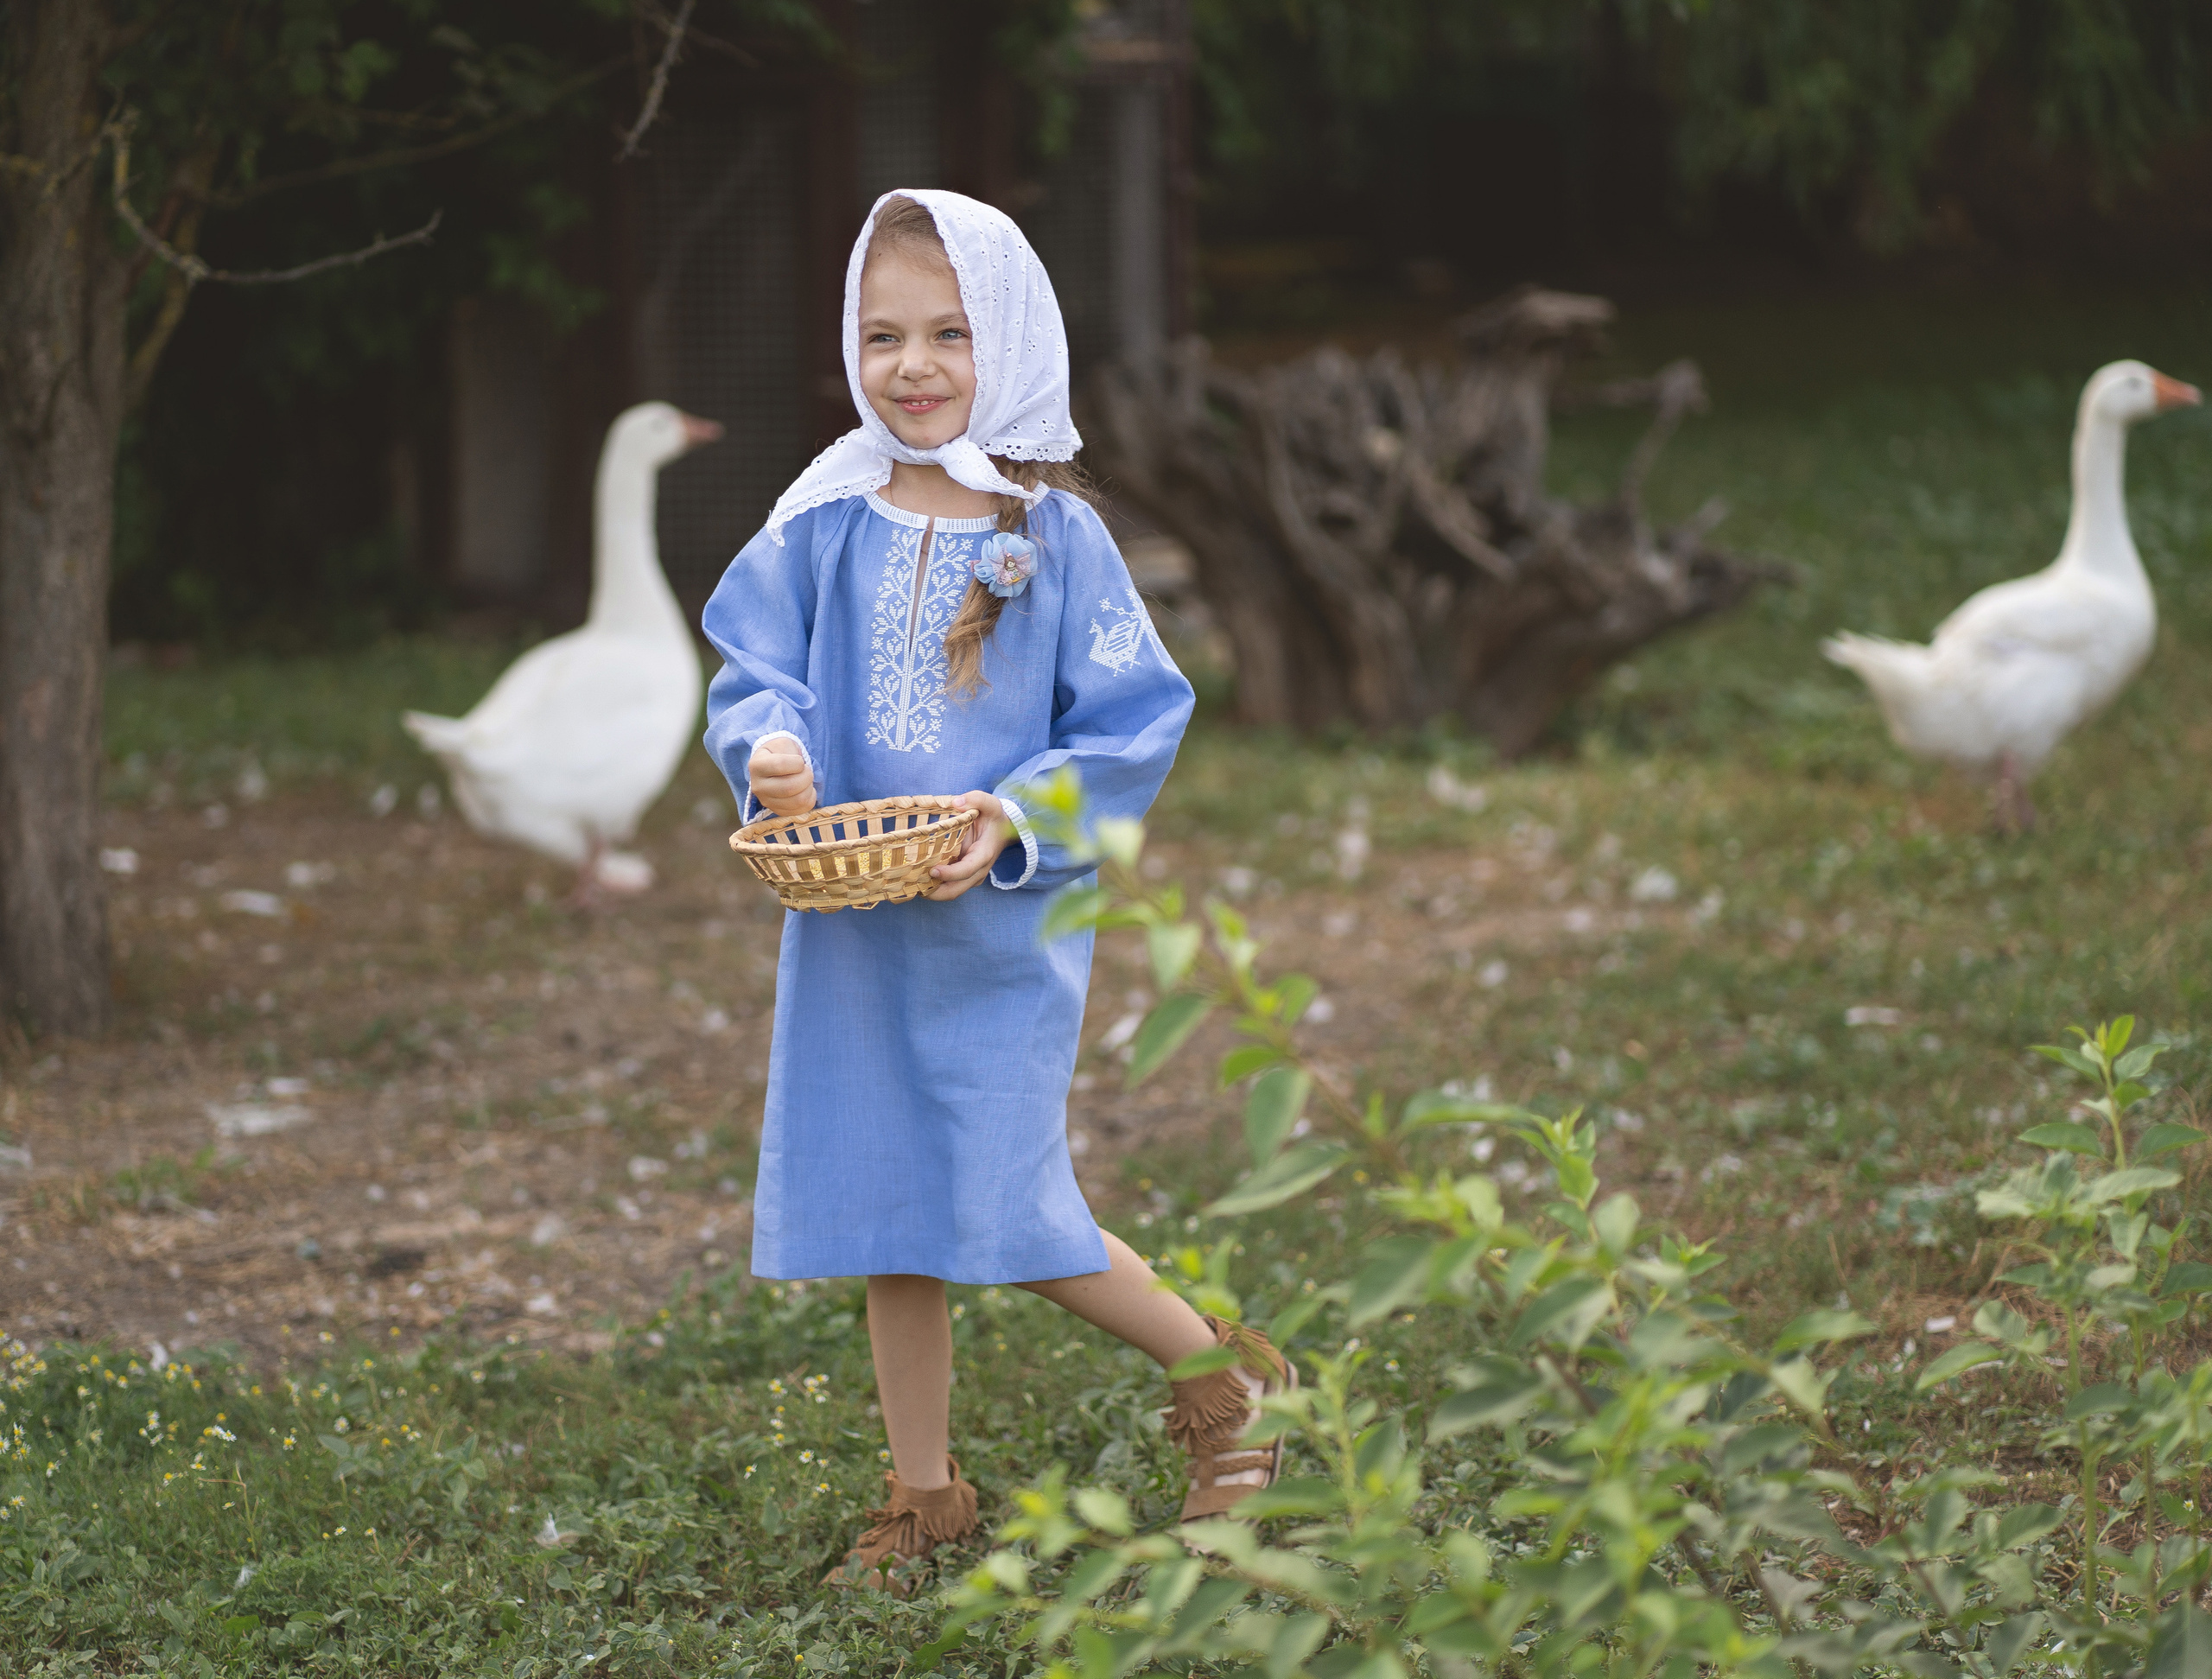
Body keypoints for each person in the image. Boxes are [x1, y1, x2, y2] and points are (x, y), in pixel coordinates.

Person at [702, 190, 1293, 1593]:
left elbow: (1132, 717)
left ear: (1011, 336)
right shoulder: (824, 523)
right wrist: (770, 752)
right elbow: (757, 669)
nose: (913, 362)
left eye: (950, 331)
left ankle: (1224, 1376)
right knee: (880, 1201)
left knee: (1001, 1192)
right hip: (855, 924)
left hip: (996, 926)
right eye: (884, 332)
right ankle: (926, 1496)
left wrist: (1016, 819)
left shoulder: (1055, 535)